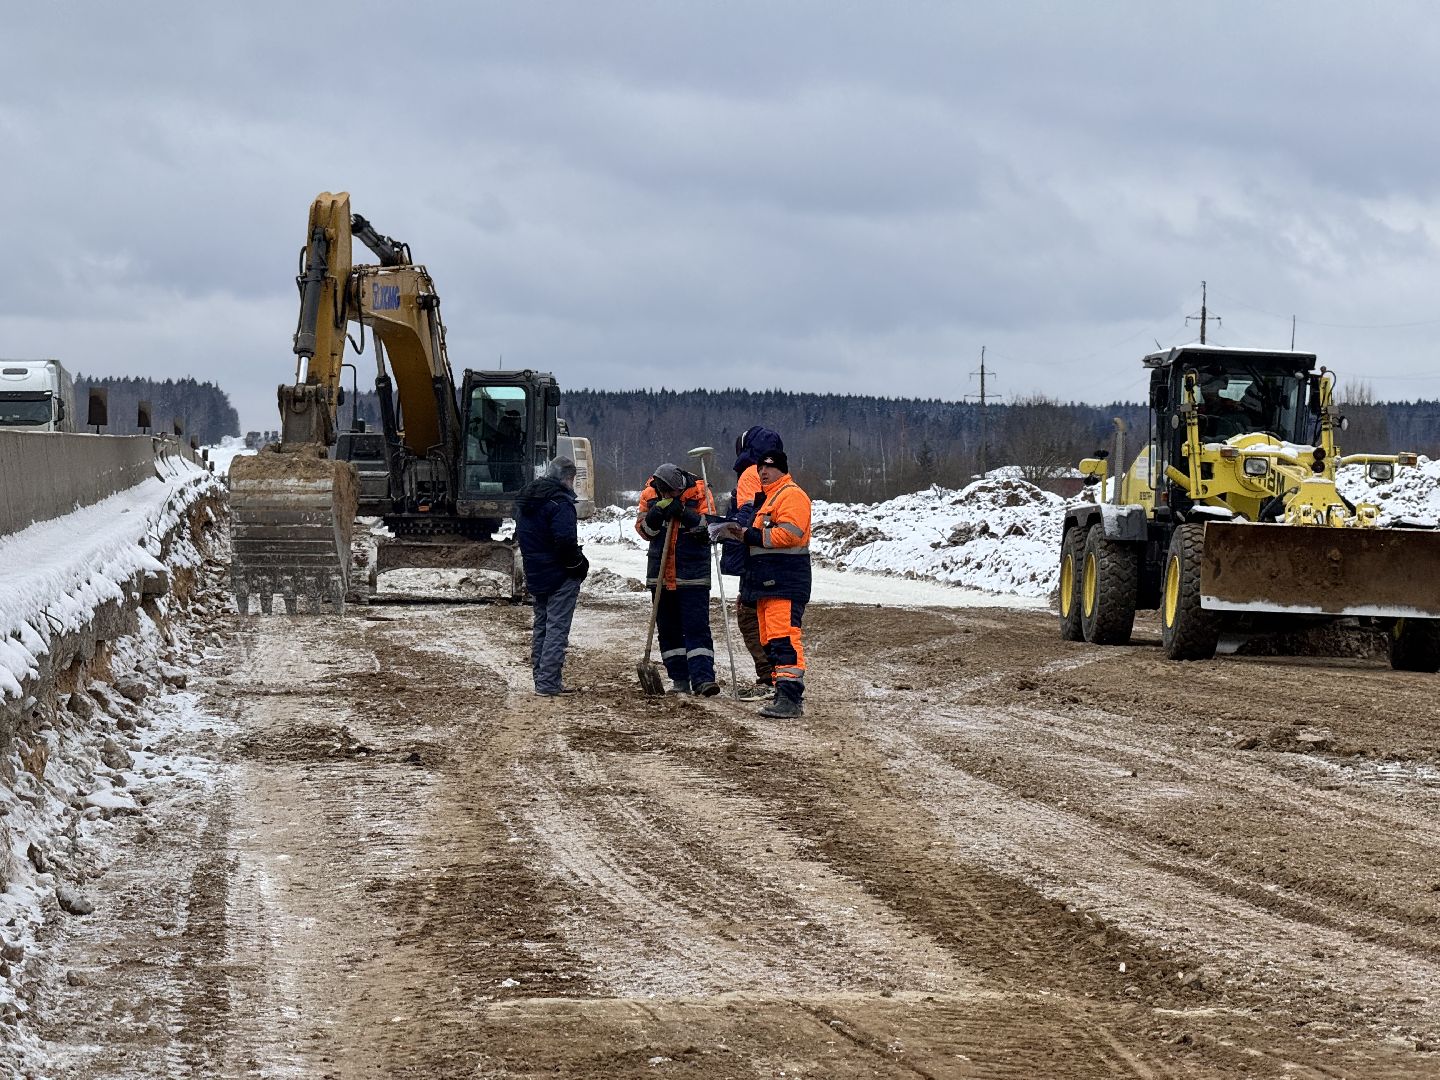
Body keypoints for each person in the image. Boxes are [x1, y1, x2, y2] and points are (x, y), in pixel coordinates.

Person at [719, 449, 812, 719]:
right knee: (769, 640)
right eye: (761, 468)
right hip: (765, 584)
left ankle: (791, 697)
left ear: (782, 469)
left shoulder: (792, 495)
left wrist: (751, 534)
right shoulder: (768, 498)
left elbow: (791, 534)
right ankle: (781, 692)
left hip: (785, 582)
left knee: (784, 638)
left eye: (769, 468)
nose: (763, 472)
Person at [636, 462, 720, 696]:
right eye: (662, 492)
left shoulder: (701, 492)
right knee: (668, 629)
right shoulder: (649, 495)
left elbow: (711, 529)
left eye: (669, 493)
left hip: (692, 574)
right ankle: (679, 679)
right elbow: (644, 532)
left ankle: (703, 679)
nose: (665, 496)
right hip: (660, 575)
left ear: (678, 487)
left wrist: (685, 514)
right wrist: (654, 516)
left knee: (696, 627)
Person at [515, 456, 589, 696]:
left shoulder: (528, 501)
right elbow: (565, 541)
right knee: (556, 628)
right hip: (559, 575)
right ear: (567, 478)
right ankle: (548, 684)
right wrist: (578, 565)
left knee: (542, 627)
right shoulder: (560, 503)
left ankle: (541, 679)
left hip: (536, 572)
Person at [721, 425, 784, 701]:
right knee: (770, 619)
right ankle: (779, 677)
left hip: (754, 554)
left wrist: (724, 529)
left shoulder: (750, 474)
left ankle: (768, 678)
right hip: (774, 556)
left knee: (750, 617)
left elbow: (748, 515)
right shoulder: (780, 476)